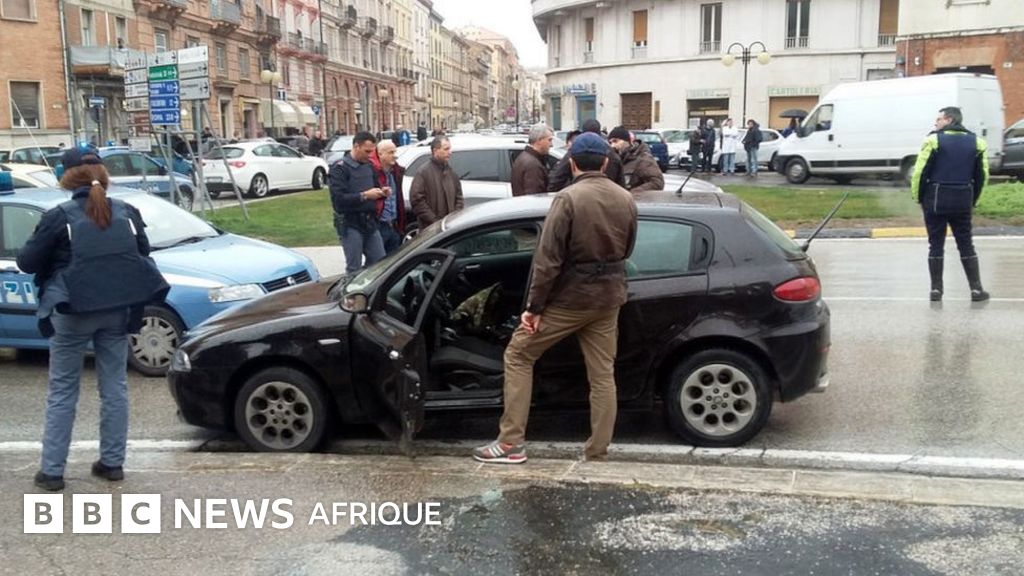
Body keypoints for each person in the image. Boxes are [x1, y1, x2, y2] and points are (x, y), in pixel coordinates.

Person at [472, 132, 638, 464]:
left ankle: (511, 443)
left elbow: (548, 260)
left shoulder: (568, 198)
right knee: (602, 375)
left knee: (518, 355)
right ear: (606, 162)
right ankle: (598, 450)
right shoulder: (625, 198)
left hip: (570, 299)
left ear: (572, 163)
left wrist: (534, 308)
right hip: (608, 299)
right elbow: (628, 248)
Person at [17, 146, 170, 491]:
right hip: (117, 309)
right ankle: (112, 464)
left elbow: (27, 262)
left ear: (66, 178)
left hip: (72, 312)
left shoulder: (59, 216)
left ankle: (52, 472)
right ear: (103, 175)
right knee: (114, 387)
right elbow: (142, 254)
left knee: (62, 391)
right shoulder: (127, 212)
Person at [911, 106, 990, 302]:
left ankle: (936, 290)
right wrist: (974, 200)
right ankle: (976, 289)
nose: (936, 122)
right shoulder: (977, 142)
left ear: (949, 119)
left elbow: (920, 172)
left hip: (936, 200)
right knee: (966, 244)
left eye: (939, 119)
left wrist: (918, 197)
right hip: (963, 200)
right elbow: (982, 176)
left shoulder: (933, 140)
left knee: (936, 245)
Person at [329, 131, 387, 274]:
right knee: (354, 268)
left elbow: (375, 189)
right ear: (356, 146)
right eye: (367, 151)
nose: (370, 155)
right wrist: (364, 195)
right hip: (350, 223)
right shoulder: (340, 168)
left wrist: (382, 193)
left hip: (370, 222)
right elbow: (338, 200)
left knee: (380, 262)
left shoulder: (369, 166)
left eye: (372, 151)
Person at [547, 119, 625, 192]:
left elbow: (557, 178)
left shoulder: (575, 150)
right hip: (607, 196)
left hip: (579, 195)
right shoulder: (611, 154)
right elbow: (621, 184)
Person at [409, 136, 464, 230]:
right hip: (431, 229)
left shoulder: (450, 172)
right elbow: (417, 200)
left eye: (449, 149)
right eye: (446, 149)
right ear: (435, 151)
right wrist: (435, 221)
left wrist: (454, 217)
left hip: (450, 227)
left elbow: (459, 197)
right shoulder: (423, 172)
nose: (450, 152)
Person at [368, 140, 408, 254]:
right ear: (380, 154)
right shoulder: (371, 172)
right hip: (379, 226)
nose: (395, 156)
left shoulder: (395, 172)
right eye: (391, 152)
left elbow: (398, 199)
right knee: (377, 261)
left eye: (395, 152)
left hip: (394, 225)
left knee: (395, 261)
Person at [607, 125, 664, 192]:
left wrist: (631, 193)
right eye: (610, 142)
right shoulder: (613, 159)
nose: (612, 145)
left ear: (627, 141)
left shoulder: (643, 159)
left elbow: (657, 183)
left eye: (616, 141)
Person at [511, 124, 553, 196]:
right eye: (549, 140)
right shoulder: (533, 165)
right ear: (539, 140)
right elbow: (535, 197)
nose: (551, 144)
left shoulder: (524, 157)